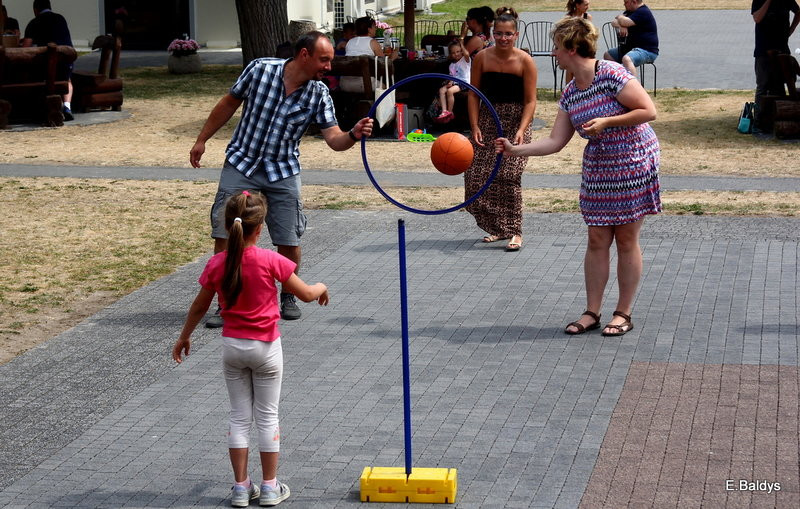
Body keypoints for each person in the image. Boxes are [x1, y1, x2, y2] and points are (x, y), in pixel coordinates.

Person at [189, 31, 372, 327]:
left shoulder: (319, 93)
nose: (329, 66)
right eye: (324, 60)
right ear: (304, 55)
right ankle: (226, 301)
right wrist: (202, 140)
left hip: (282, 170)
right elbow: (229, 103)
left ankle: (288, 293)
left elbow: (334, 139)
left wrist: (353, 134)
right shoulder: (260, 69)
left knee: (289, 237)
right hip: (242, 163)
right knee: (225, 235)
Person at [495, 17, 660, 336]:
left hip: (634, 158)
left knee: (625, 238)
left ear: (571, 49)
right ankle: (592, 311)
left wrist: (606, 122)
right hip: (600, 164)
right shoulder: (571, 91)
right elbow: (556, 141)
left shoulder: (611, 73)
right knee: (597, 238)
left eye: (556, 48)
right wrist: (516, 150)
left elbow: (647, 111)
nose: (553, 54)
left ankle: (623, 313)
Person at [172, 190, 330, 508]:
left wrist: (184, 336)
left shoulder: (217, 263)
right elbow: (306, 294)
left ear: (230, 225)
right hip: (266, 348)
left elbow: (199, 306)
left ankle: (241, 488)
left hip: (233, 348)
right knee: (267, 416)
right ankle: (270, 487)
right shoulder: (271, 260)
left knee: (239, 417)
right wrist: (322, 287)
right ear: (261, 228)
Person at [465, 7, 537, 252]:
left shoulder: (525, 60)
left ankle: (515, 231)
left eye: (508, 34)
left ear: (516, 35)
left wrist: (522, 129)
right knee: (475, 176)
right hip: (488, 119)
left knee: (509, 174)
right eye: (499, 33)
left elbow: (530, 100)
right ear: (493, 34)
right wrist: (474, 125)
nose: (503, 38)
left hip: (515, 122)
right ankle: (497, 227)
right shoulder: (482, 57)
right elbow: (473, 94)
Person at [21, 0, 74, 120]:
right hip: (65, 59)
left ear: (35, 10)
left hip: (45, 65)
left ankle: (44, 106)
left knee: (37, 75)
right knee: (67, 80)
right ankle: (67, 106)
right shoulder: (61, 18)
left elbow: (25, 48)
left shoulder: (34, 22)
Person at [751, 0, 799, 112]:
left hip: (782, 49)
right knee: (762, 86)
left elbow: (798, 12)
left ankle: (777, 117)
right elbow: (757, 18)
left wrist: (790, 30)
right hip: (763, 50)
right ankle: (759, 121)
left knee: (779, 86)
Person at [602, 0, 658, 79]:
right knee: (608, 55)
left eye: (626, 2)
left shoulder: (643, 11)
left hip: (646, 50)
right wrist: (621, 25)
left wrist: (620, 17)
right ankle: (617, 81)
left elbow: (625, 21)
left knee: (627, 59)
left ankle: (633, 88)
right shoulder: (630, 12)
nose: (624, 4)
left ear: (634, 2)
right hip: (629, 49)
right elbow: (613, 22)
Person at [340, 16, 396, 92]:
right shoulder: (373, 42)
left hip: (345, 84)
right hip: (365, 84)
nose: (376, 29)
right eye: (374, 27)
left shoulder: (349, 42)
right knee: (388, 89)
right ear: (369, 29)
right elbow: (383, 65)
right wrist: (393, 58)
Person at [435, 39, 471, 123]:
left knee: (450, 91)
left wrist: (461, 43)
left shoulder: (465, 61)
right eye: (453, 53)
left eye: (458, 51)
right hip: (455, 82)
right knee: (442, 90)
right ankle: (444, 111)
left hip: (464, 82)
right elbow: (452, 76)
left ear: (461, 51)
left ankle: (450, 112)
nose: (456, 54)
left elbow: (467, 53)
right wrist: (450, 82)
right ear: (450, 54)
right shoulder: (452, 65)